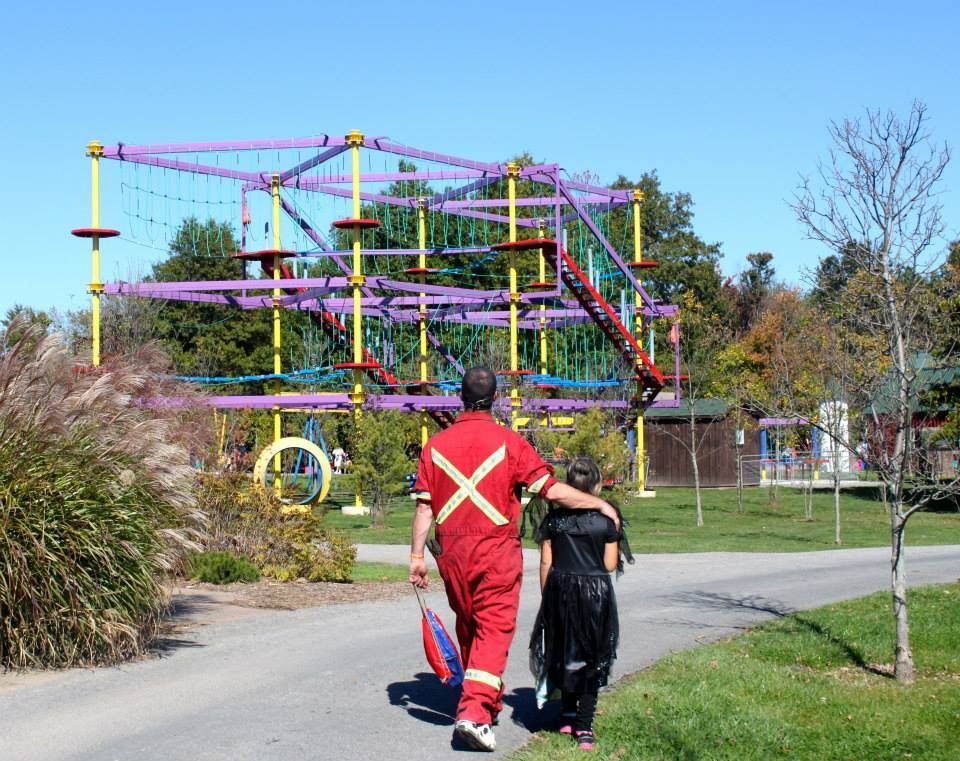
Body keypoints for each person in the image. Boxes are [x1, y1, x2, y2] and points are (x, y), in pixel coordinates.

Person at [409, 367, 619, 752]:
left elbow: (424, 508)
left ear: (460, 397)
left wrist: (417, 556)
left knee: (470, 622)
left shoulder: (434, 447)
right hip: (495, 551)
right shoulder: (509, 443)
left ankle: (484, 702)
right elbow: (551, 491)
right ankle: (473, 714)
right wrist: (598, 502)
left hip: (451, 553)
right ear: (494, 399)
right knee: (494, 628)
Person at [529, 455, 631, 751]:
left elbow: (546, 562)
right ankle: (584, 727)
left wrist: (547, 597)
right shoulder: (606, 521)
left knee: (563, 649)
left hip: (560, 589)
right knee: (592, 655)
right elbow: (610, 564)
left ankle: (567, 713)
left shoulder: (553, 521)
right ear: (597, 486)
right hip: (594, 592)